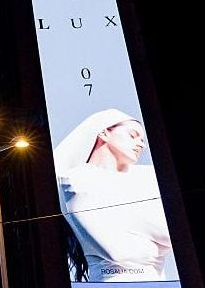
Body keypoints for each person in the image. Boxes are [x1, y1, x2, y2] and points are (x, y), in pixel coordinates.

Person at [53, 108, 174, 283]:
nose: (141, 144)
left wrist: (121, 216)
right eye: (133, 135)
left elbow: (172, 233)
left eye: (142, 139)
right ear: (104, 133)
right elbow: (118, 252)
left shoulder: (149, 176)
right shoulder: (75, 180)